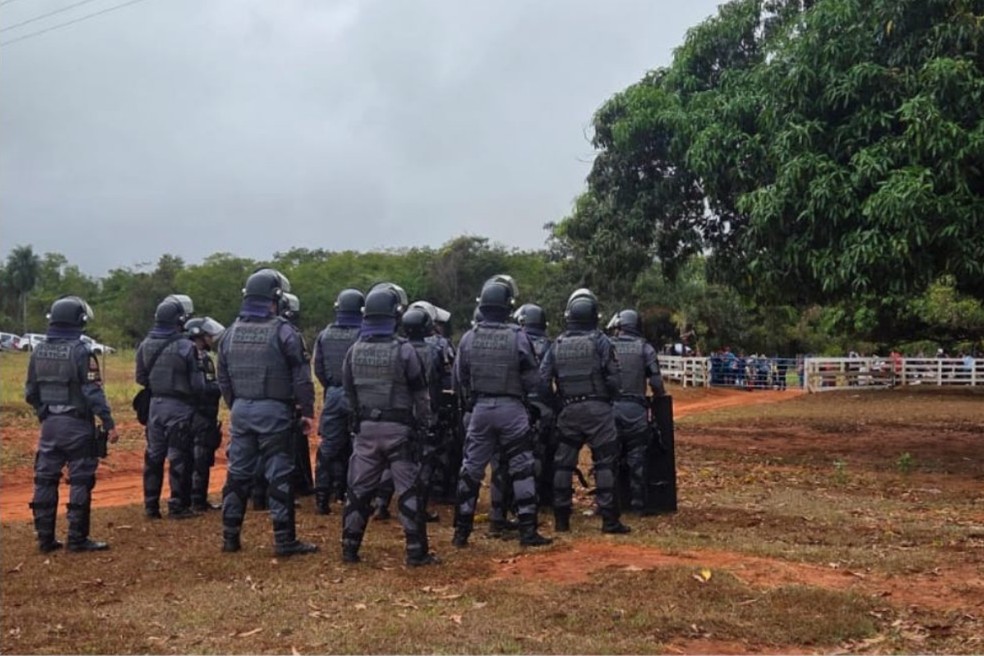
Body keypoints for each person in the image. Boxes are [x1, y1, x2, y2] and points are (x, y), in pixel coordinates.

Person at [217, 268, 317, 556]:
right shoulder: (284, 331)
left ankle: (230, 537)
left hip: (241, 410)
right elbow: (301, 376)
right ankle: (284, 540)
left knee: (237, 474)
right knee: (279, 474)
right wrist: (307, 411)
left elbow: (223, 377)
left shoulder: (229, 333)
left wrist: (236, 403)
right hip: (274, 411)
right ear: (275, 297)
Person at [340, 283, 438, 566]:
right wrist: (423, 426)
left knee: (358, 491)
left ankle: (349, 548)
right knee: (408, 490)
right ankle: (416, 552)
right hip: (399, 433)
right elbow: (420, 394)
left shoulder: (353, 351)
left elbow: (349, 393)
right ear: (395, 315)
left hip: (366, 432)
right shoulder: (405, 351)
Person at [451, 275, 552, 548]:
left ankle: (461, 533)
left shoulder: (469, 338)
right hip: (512, 409)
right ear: (509, 307)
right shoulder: (517, 336)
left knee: (471, 470)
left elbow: (459, 377)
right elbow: (533, 378)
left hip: (481, 410)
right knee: (521, 467)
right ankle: (528, 532)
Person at [26, 296, 119, 552]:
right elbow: (93, 392)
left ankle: (45, 539)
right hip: (77, 425)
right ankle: (77, 538)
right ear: (79, 321)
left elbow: (30, 392)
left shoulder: (38, 351)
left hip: (50, 426)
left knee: (45, 480)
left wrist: (45, 414)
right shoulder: (81, 352)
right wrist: (109, 422)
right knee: (80, 480)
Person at [540, 289, 630, 534]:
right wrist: (608, 399)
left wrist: (560, 403)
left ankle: (561, 520)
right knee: (605, 463)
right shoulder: (600, 341)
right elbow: (613, 378)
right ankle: (609, 520)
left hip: (569, 410)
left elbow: (542, 380)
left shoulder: (557, 344)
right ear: (594, 315)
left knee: (563, 465)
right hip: (598, 410)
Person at [135, 294, 204, 519]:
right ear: (180, 319)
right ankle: (177, 505)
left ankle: (151, 506)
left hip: (155, 406)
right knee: (178, 456)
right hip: (179, 407)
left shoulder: (145, 344)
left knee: (153, 456)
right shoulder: (186, 346)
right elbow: (198, 384)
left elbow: (140, 377)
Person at [606, 309, 666, 513]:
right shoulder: (645, 348)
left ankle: (607, 505)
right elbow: (656, 383)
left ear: (620, 327)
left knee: (607, 459)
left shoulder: (606, 345)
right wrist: (659, 401)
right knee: (637, 457)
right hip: (636, 410)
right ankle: (638, 504)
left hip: (610, 410)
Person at [312, 288, 364, 514]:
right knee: (357, 448)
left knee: (329, 448)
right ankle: (351, 496)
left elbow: (319, 369)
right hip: (358, 396)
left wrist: (332, 388)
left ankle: (322, 498)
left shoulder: (325, 334)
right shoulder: (363, 334)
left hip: (333, 394)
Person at [184, 316, 225, 512]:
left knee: (189, 458)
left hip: (187, 414)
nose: (210, 338)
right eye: (207, 335)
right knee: (201, 458)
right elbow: (207, 387)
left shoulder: (182, 354)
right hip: (202, 415)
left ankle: (188, 498)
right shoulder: (202, 358)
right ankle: (198, 500)